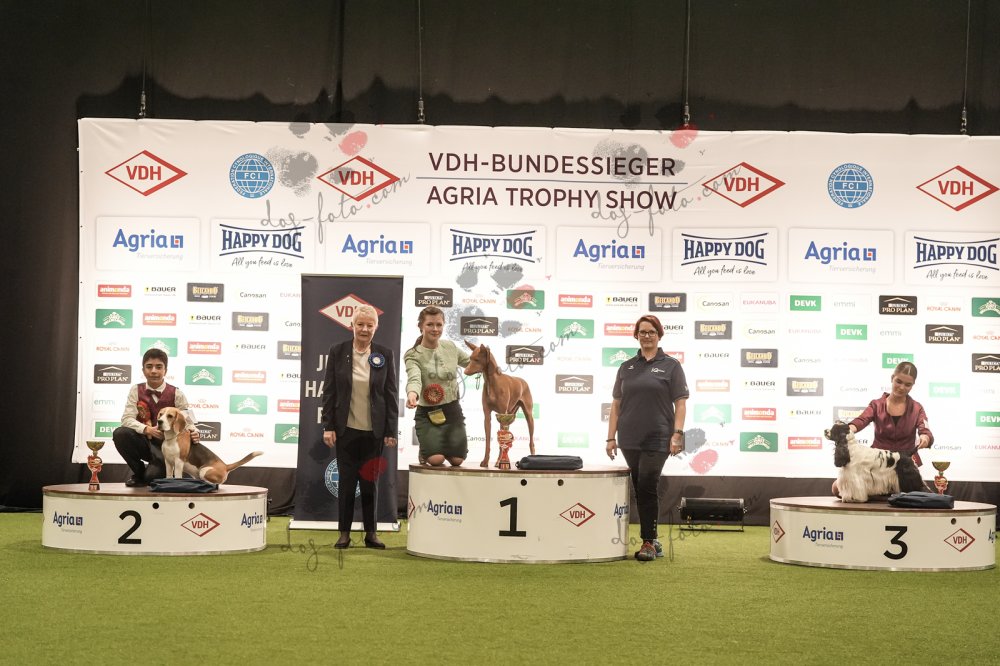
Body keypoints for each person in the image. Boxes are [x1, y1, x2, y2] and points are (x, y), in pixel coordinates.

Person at [606, 314, 688, 562]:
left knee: (647, 486)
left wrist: (678, 434)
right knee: (640, 488)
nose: (647, 336)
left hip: (659, 436)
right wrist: (610, 438)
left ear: (659, 335)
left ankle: (648, 542)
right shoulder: (626, 367)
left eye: (651, 331)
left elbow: (680, 403)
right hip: (629, 437)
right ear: (636, 335)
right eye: (642, 332)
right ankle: (653, 540)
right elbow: (616, 405)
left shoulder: (671, 366)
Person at [322, 304, 398, 550]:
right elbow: (329, 392)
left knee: (370, 485)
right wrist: (328, 426)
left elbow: (390, 394)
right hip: (346, 431)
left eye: (370, 325)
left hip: (374, 433)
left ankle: (371, 534)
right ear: (351, 325)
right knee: (346, 484)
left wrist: (390, 430)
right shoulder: (338, 351)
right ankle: (344, 533)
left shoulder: (385, 354)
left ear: (376, 327)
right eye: (360, 324)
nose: (365, 329)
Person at [833, 361, 934, 496]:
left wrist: (925, 438)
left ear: (913, 385)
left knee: (914, 495)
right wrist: (847, 429)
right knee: (837, 488)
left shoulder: (917, 408)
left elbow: (925, 429)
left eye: (907, 384)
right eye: (898, 381)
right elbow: (861, 420)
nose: (902, 387)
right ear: (892, 378)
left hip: (904, 465)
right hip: (877, 463)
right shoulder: (876, 405)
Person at [113, 348, 200, 486]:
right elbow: (126, 419)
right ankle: (139, 473)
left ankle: (156, 472)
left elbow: (188, 421)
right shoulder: (135, 390)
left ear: (165, 370)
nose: (153, 371)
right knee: (120, 433)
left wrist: (194, 432)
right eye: (149, 366)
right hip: (145, 442)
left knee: (152, 480)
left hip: (168, 447)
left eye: (159, 367)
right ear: (143, 370)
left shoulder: (177, 393)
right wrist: (147, 429)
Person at [404, 306, 470, 466]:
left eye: (439, 324)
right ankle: (426, 449)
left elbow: (470, 363)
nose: (435, 329)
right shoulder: (413, 355)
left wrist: (488, 363)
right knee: (436, 460)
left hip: (452, 410)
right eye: (430, 324)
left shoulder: (450, 347)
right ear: (421, 326)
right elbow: (414, 378)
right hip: (428, 413)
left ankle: (438, 446)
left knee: (457, 460)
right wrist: (412, 394)